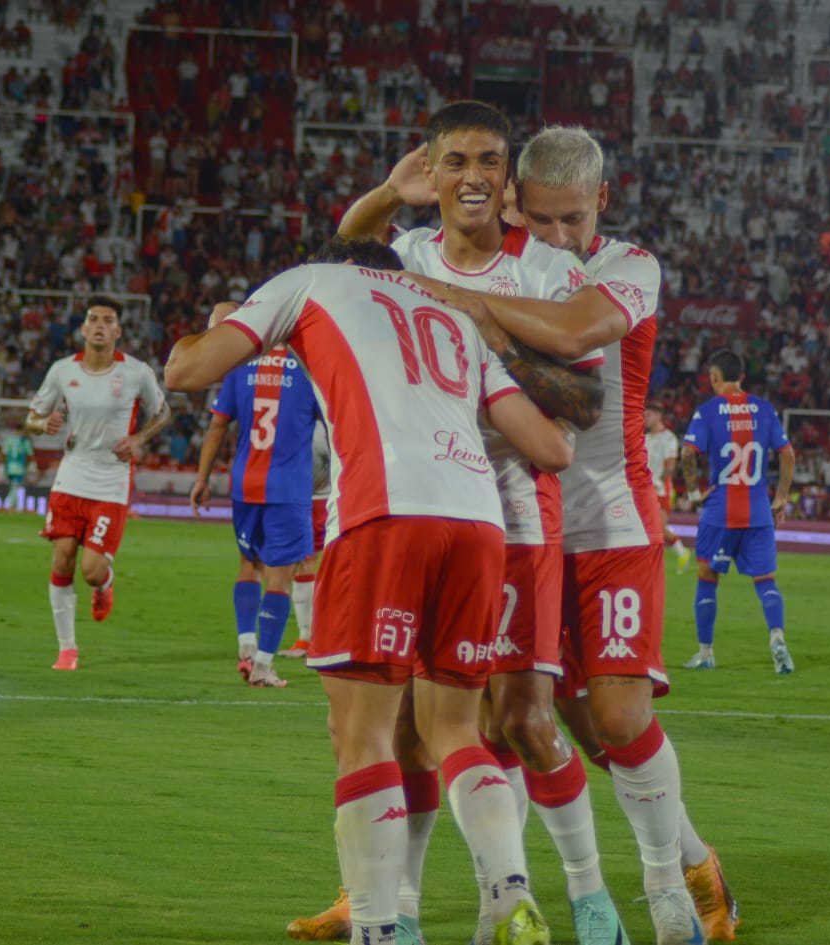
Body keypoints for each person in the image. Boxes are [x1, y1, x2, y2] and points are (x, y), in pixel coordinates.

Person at [165, 237, 575, 945]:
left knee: (363, 737)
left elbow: (185, 369)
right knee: (452, 728)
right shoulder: (452, 315)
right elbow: (551, 447)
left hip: (384, 514)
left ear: (345, 265)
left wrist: (214, 320)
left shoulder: (312, 281)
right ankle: (511, 892)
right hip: (479, 525)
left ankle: (380, 929)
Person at [416, 125, 730, 943]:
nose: (558, 237)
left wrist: (461, 303)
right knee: (527, 723)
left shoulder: (630, 267)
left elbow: (575, 331)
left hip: (612, 515)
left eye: (573, 219)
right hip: (518, 514)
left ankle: (674, 885)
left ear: (603, 202)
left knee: (619, 718)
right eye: (543, 219)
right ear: (518, 200)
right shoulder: (502, 258)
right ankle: (538, 896)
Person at [333, 102, 631, 945]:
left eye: (488, 163)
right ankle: (403, 913)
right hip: (420, 508)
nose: (472, 177)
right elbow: (336, 262)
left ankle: (588, 896)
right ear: (433, 171)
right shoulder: (407, 253)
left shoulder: (545, 271)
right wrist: (385, 196)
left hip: (515, 516)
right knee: (404, 730)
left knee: (524, 719)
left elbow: (584, 401)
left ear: (507, 180)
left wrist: (481, 334)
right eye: (454, 162)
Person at [26, 295, 171, 671]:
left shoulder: (137, 373)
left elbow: (164, 413)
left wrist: (139, 439)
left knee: (90, 569)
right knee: (61, 558)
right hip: (71, 474)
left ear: (118, 331)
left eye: (108, 320)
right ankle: (67, 649)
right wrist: (44, 425)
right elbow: (32, 417)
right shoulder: (62, 371)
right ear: (84, 328)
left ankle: (103, 585)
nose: (101, 325)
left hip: (110, 481)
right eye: (94, 319)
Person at [190, 339, 320, 688]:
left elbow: (218, 426)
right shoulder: (311, 369)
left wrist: (202, 479)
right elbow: (338, 428)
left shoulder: (242, 365)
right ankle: (263, 667)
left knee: (249, 566)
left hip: (244, 485)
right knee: (280, 577)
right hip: (288, 489)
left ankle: (245, 647)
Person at [680, 347, 796, 675]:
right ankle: (777, 636)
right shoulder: (765, 409)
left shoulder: (708, 412)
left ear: (715, 378)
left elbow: (688, 454)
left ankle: (706, 653)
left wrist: (692, 494)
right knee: (766, 581)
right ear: (741, 377)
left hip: (720, 511)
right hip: (759, 510)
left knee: (707, 578)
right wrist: (782, 498)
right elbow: (788, 456)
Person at [280, 420, 331, 660]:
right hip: (322, 499)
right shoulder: (329, 424)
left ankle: (308, 637)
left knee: (305, 563)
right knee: (308, 564)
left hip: (316, 501)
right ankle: (310, 637)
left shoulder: (309, 428)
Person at [645, 401, 694, 574]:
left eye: (649, 415)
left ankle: (670, 557)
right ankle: (679, 553)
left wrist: (657, 480)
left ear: (659, 416)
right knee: (650, 528)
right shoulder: (645, 439)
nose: (645, 418)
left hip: (661, 489)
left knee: (656, 528)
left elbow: (670, 467)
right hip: (644, 489)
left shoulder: (669, 438)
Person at [2, 422, 34, 511]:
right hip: (19, 467)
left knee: (13, 485)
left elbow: (4, 453)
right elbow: (30, 455)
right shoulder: (25, 441)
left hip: (9, 466)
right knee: (16, 485)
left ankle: (12, 504)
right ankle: (11, 505)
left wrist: (5, 465)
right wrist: (26, 465)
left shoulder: (9, 440)